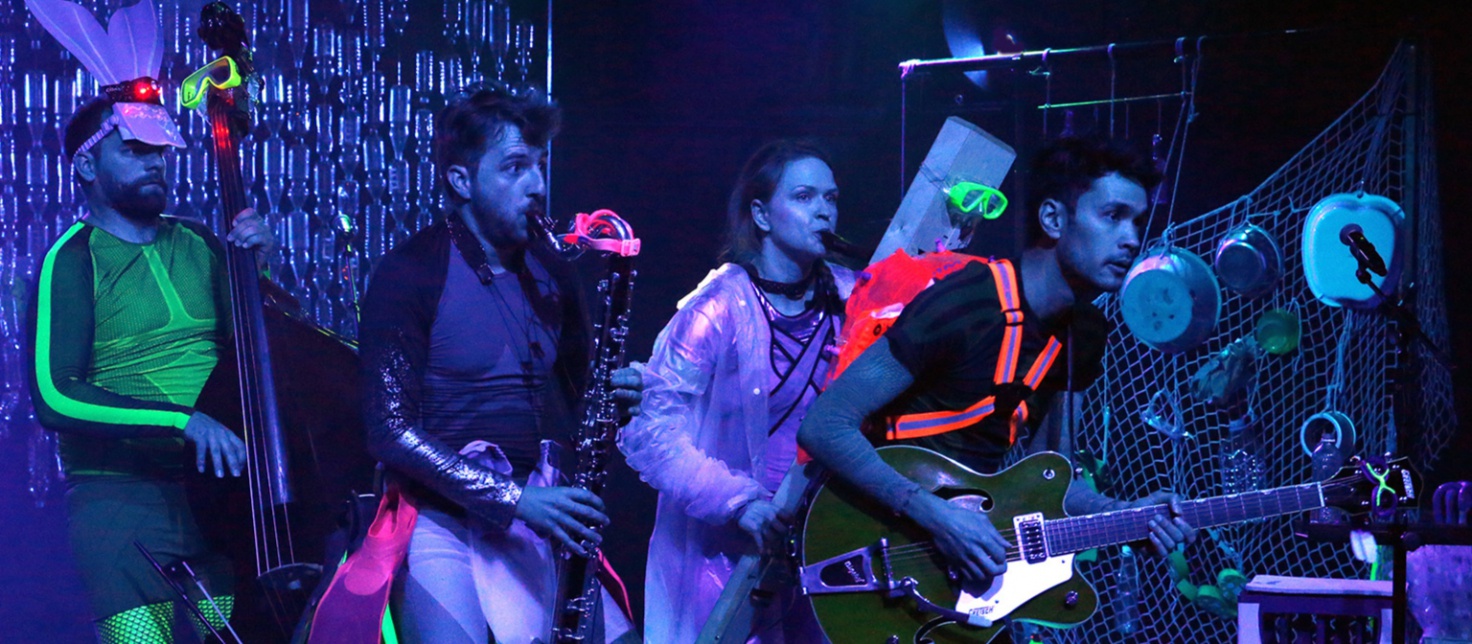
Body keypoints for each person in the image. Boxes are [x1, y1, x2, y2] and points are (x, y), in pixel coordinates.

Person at [797, 136, 1196, 617]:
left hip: (962, 572)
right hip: (878, 550)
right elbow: (824, 425)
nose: (1131, 239)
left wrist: (1122, 514)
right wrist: (938, 517)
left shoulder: (1084, 334)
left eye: (1137, 221)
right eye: (1113, 216)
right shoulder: (968, 301)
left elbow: (1051, 479)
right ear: (1053, 219)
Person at [357, 85, 641, 644]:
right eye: (515, 167)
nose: (537, 186)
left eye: (540, 165)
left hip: (535, 508)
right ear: (461, 181)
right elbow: (388, 432)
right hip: (439, 519)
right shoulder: (408, 272)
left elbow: (584, 407)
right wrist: (513, 499)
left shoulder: (554, 272)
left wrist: (621, 402)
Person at [27, 91, 275, 642]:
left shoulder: (200, 240)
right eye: (134, 150)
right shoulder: (72, 258)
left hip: (218, 497)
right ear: (87, 166)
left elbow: (256, 354)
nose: (155, 162)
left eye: (159, 151)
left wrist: (257, 272)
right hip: (120, 501)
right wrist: (182, 421)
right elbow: (54, 394)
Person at [619, 139, 855, 644]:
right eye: (805, 197)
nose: (824, 212)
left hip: (828, 540)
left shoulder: (851, 297)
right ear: (762, 215)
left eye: (831, 198)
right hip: (729, 553)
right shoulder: (716, 309)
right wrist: (738, 503)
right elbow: (650, 431)